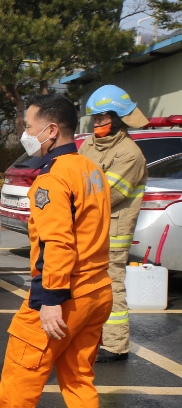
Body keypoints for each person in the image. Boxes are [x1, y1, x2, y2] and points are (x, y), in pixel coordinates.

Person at [0, 94, 112, 408]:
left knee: (23, 367)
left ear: (51, 131)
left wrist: (50, 300)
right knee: (78, 375)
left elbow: (56, 244)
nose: (25, 134)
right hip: (97, 290)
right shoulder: (91, 169)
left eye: (30, 127)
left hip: (64, 292)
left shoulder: (52, 180)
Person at [79, 85, 148, 363]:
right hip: (85, 227)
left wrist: (72, 195)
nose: (97, 123)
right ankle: (91, 337)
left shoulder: (130, 153)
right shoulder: (87, 145)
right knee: (86, 285)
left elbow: (107, 194)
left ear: (118, 118)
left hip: (112, 231)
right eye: (94, 118)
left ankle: (116, 345)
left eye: (103, 118)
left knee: (111, 285)